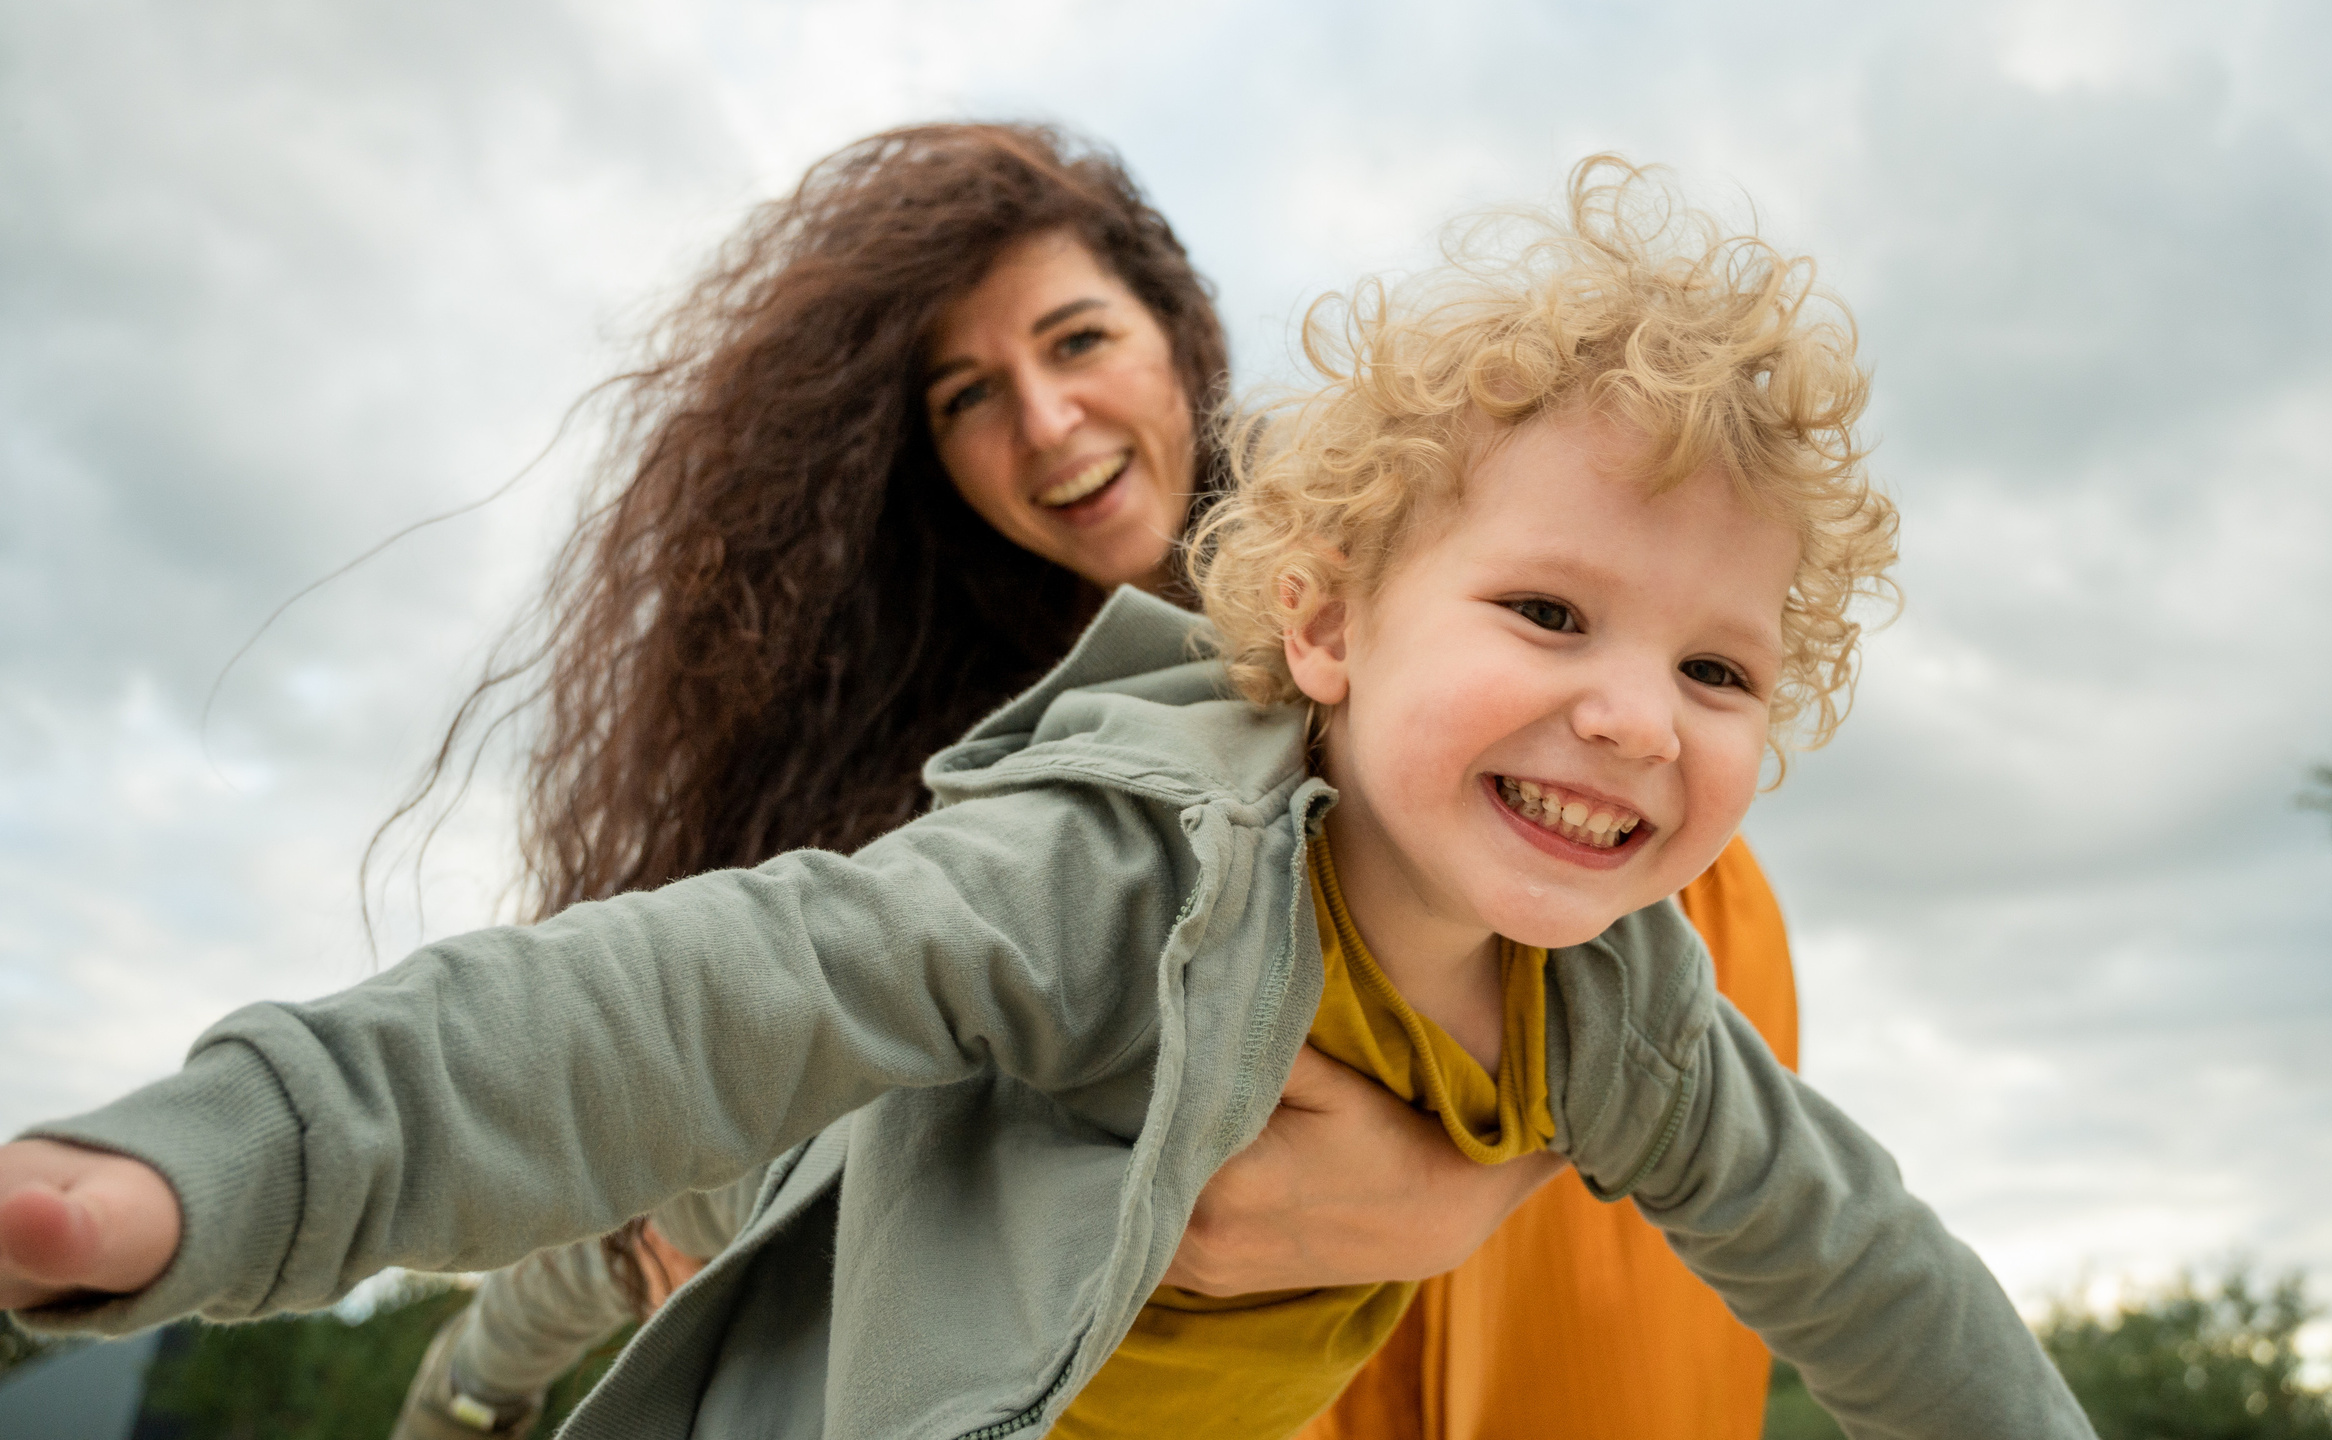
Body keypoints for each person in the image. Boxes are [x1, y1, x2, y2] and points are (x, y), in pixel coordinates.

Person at [0, 155, 2093, 1439]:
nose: (1635, 713)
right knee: (660, 1218)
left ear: (1179, 354)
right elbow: (684, 998)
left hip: (1178, 1338)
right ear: (1324, 622)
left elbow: (1867, 1271)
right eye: (1551, 616)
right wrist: (227, 1160)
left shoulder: (1610, 972)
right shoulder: (1112, 855)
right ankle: (455, 1394)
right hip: (869, 1278)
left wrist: (1482, 1183)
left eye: (1714, 669)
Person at [354, 121, 1798, 1440]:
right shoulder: (966, 732)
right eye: (971, 394)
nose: (1046, 424)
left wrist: (1456, 1203)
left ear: (1178, 338)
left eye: (1078, 340)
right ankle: (472, 1388)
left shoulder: (1401, 568)